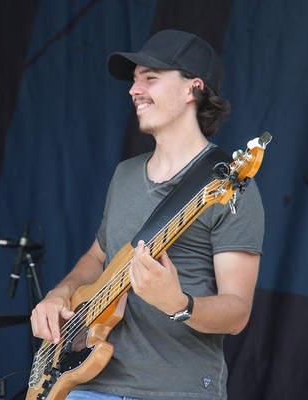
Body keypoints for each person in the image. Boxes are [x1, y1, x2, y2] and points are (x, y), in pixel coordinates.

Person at [30, 30, 264, 399]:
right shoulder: (125, 174)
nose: (133, 90)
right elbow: (97, 255)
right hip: (85, 384)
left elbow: (237, 313)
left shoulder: (230, 184)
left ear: (193, 89)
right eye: (135, 80)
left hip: (174, 389)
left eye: (150, 78)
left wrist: (180, 304)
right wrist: (60, 293)